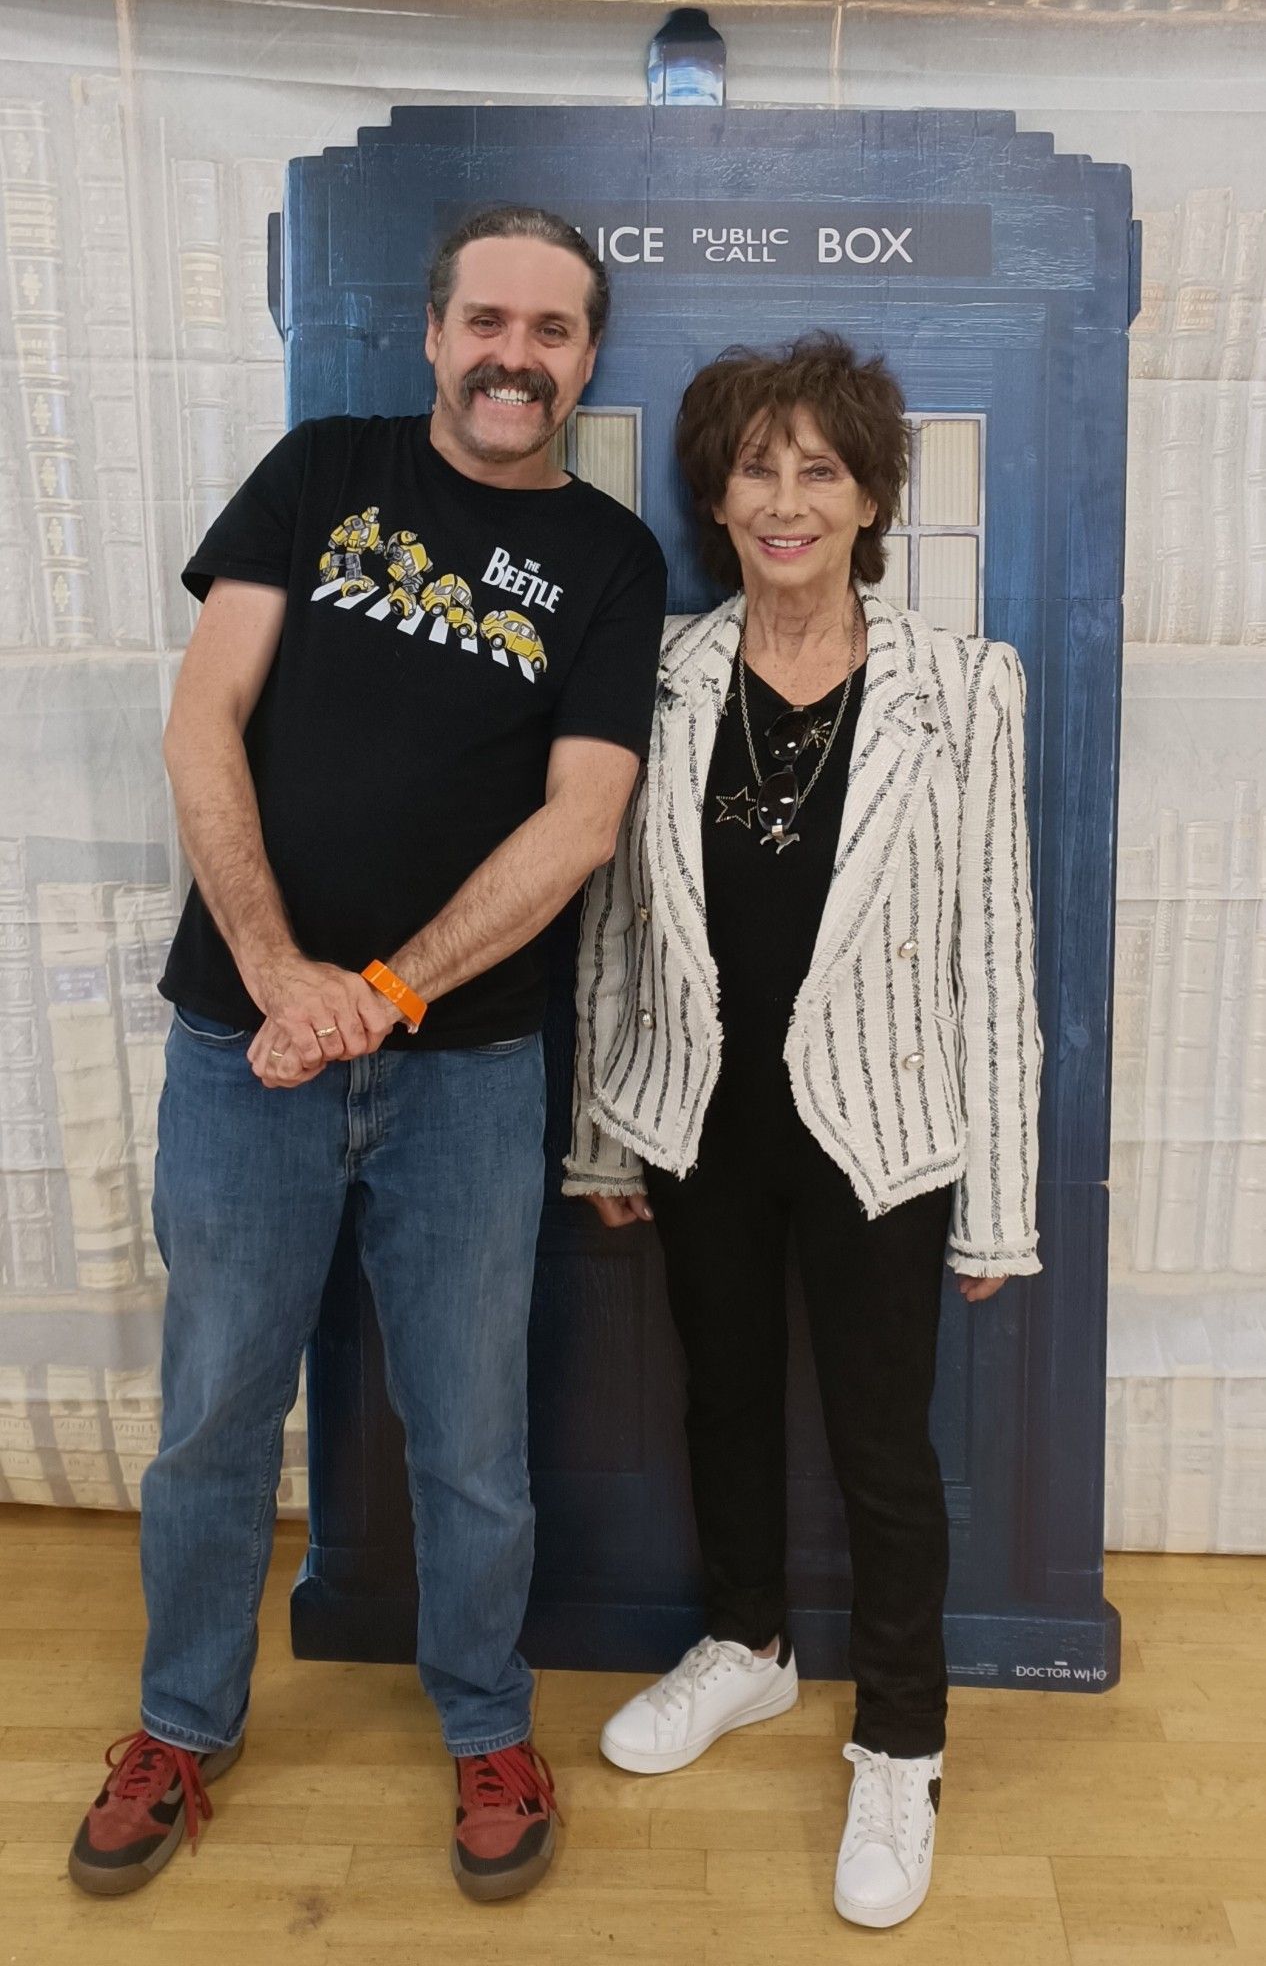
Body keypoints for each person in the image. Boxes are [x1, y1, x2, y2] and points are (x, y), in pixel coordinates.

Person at [69, 205, 667, 1905]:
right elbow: (203, 717)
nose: (514, 356)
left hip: (468, 1070)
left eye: (552, 331)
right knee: (210, 1415)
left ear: (585, 358)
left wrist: (381, 993)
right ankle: (181, 1726)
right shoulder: (321, 464)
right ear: (431, 332)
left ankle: (486, 1722)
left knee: (470, 1434)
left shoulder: (614, 562)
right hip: (235, 1046)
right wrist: (274, 973)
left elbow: (583, 822)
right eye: (488, 319)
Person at [564, 333, 1042, 1931]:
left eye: (817, 469)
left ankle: (899, 1740)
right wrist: (599, 1134)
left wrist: (999, 1209)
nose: (784, 500)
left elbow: (997, 961)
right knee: (721, 1401)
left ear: (869, 495)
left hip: (879, 1133)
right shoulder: (665, 678)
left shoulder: (962, 686)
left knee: (880, 1444)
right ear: (715, 493)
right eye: (755, 469)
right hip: (699, 1117)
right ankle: (748, 1646)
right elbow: (618, 933)